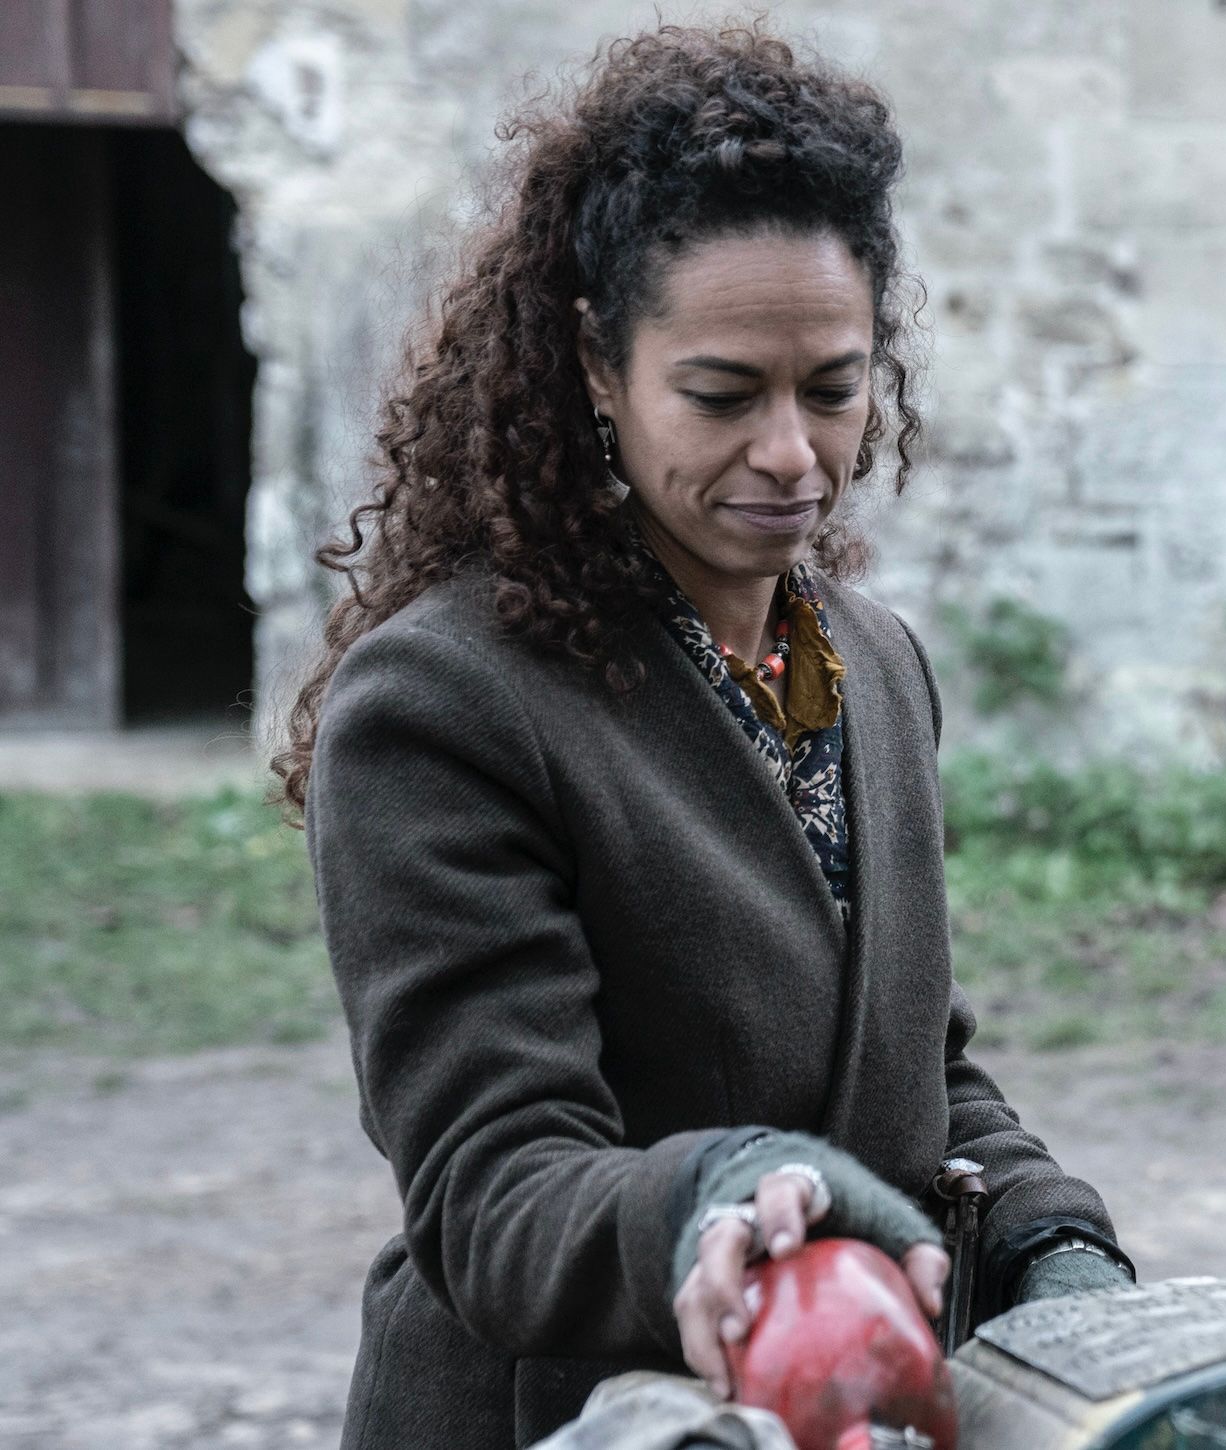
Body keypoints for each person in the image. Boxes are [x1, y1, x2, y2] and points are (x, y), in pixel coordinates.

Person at [277, 27, 1129, 1446]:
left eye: (835, 388)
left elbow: (916, 1070)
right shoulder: (441, 704)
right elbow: (494, 1187)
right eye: (726, 395)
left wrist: (1047, 1231)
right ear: (598, 370)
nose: (793, 451)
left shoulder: (874, 665)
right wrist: (717, 1195)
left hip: (847, 1396)